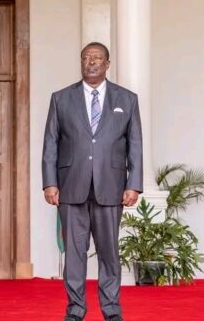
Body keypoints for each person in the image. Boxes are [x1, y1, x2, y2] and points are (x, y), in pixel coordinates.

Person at [42, 42, 142, 321]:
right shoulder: (61, 99)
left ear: (107, 64)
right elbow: (51, 143)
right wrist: (50, 182)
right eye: (86, 58)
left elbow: (135, 145)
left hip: (111, 188)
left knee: (109, 253)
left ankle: (111, 310)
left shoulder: (127, 99)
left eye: (97, 58)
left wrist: (133, 183)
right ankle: (75, 309)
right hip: (71, 187)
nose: (91, 62)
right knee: (74, 253)